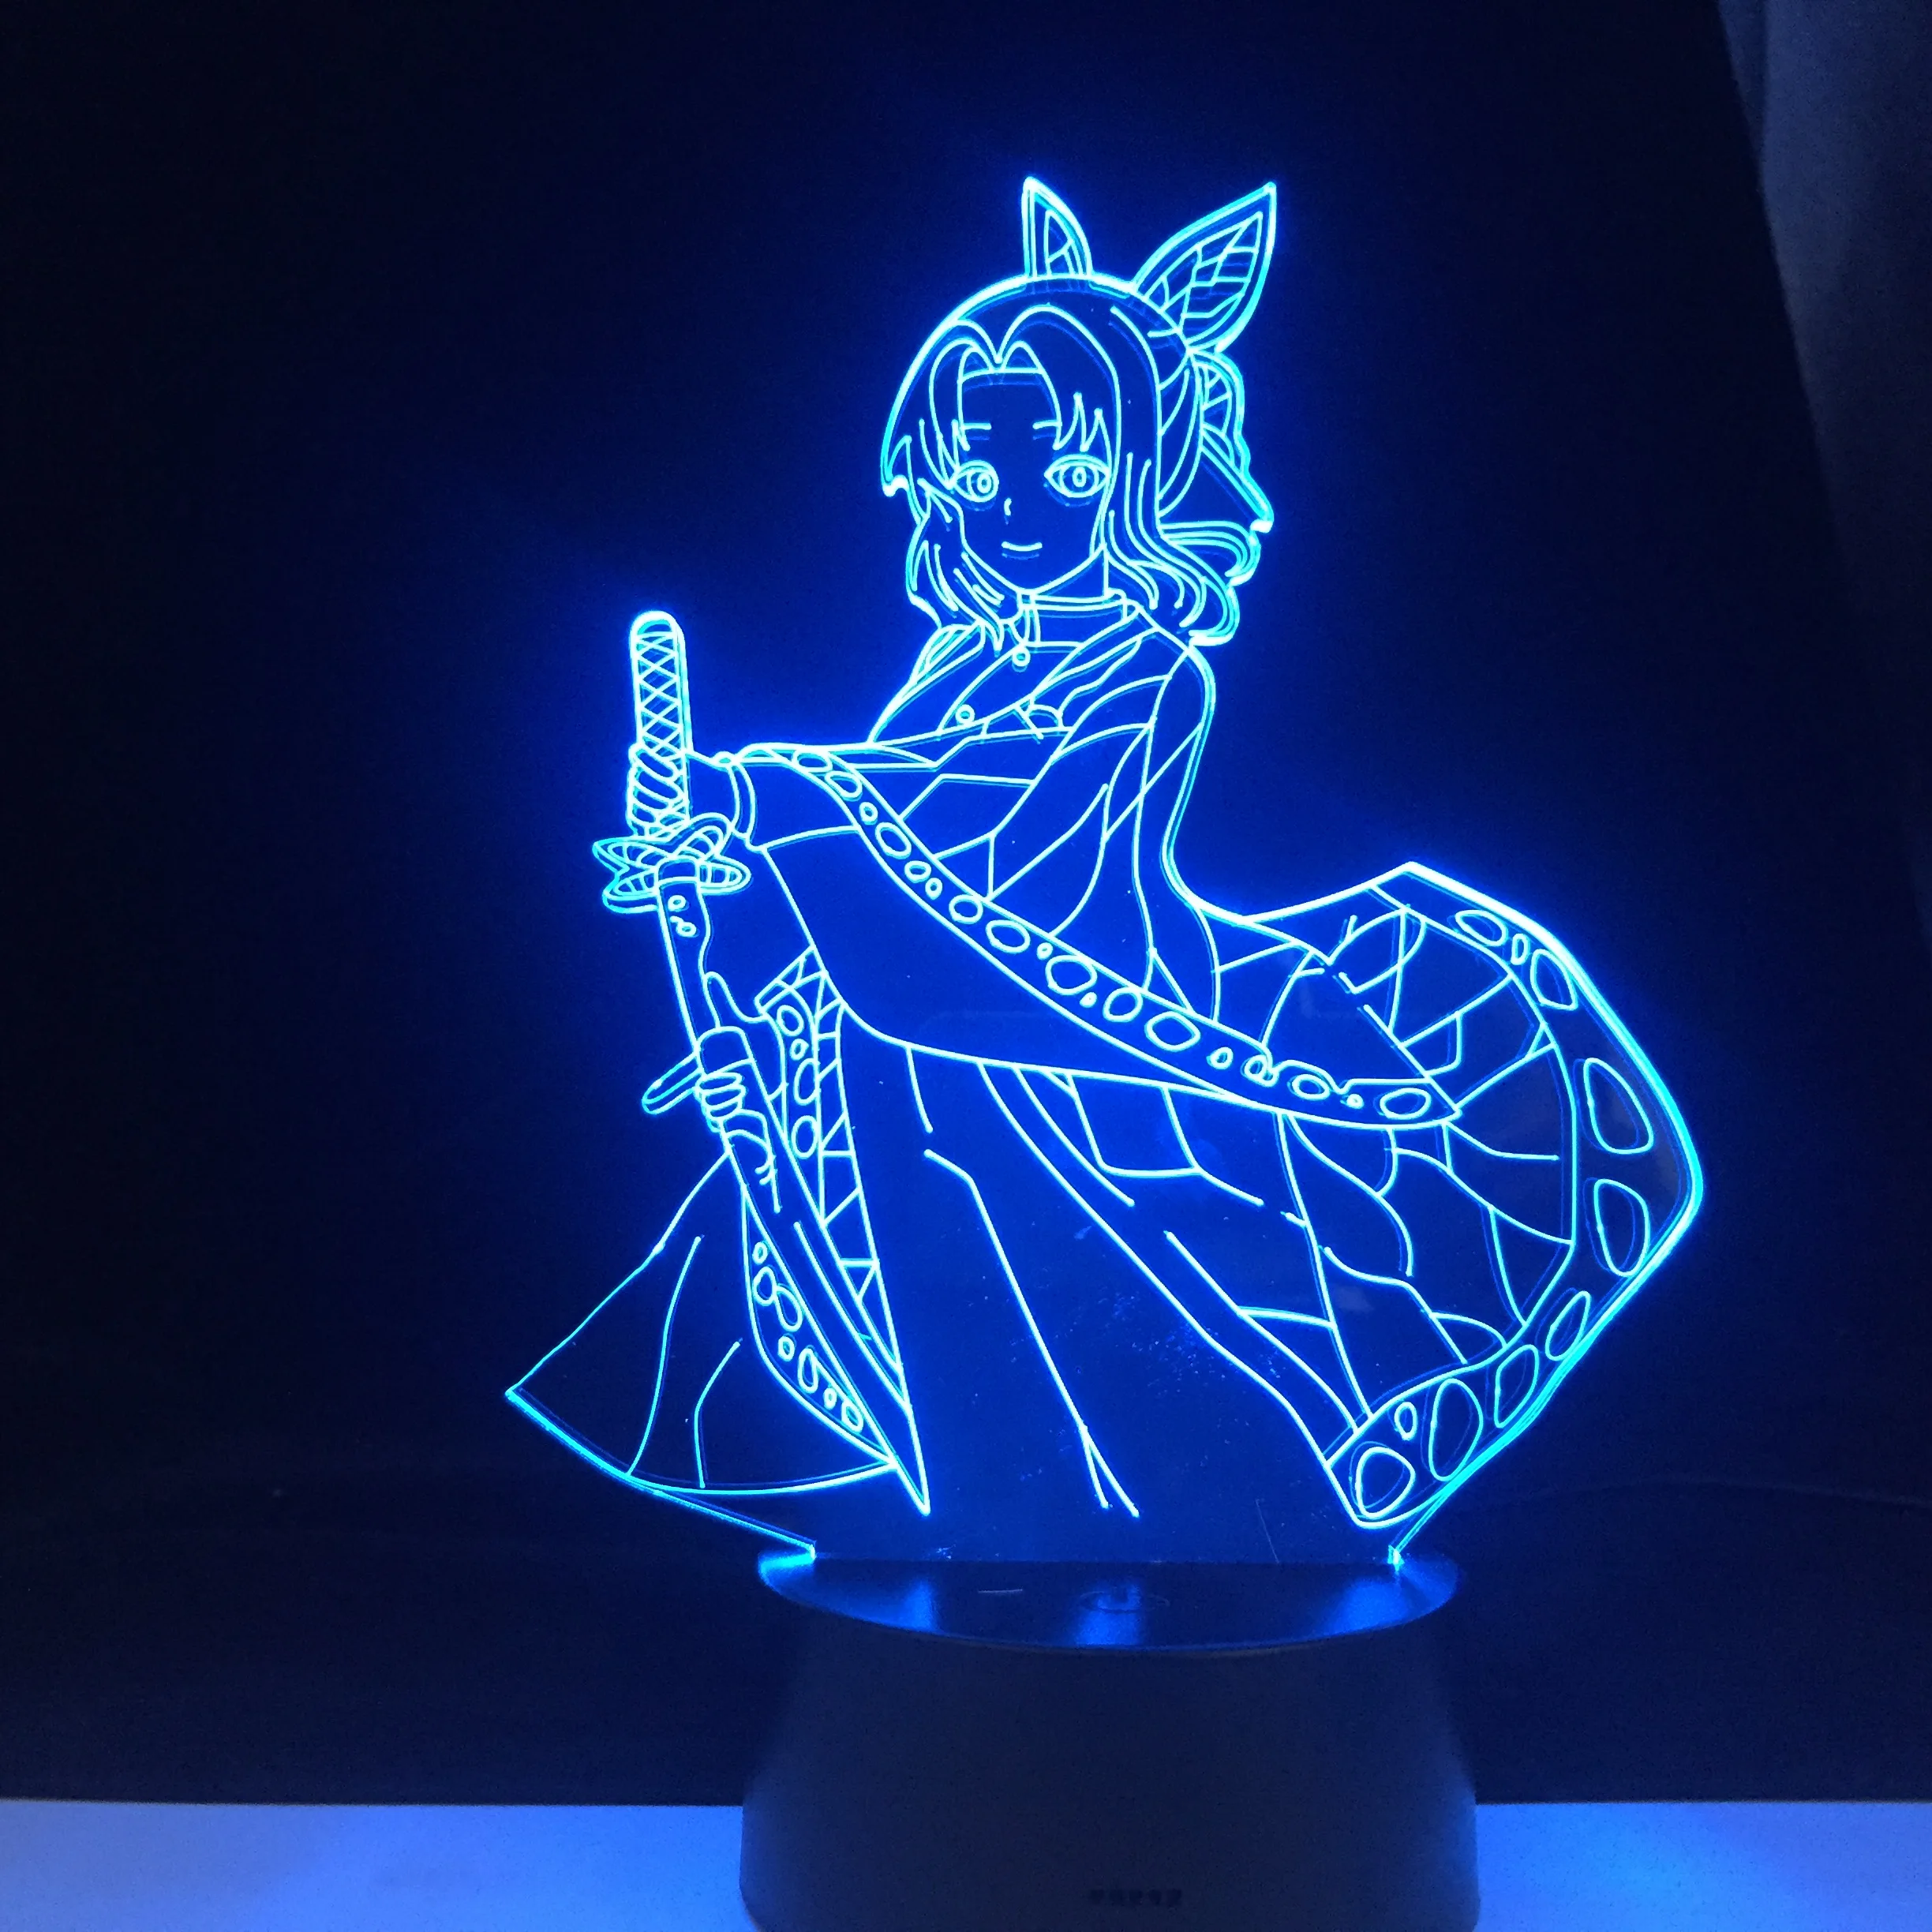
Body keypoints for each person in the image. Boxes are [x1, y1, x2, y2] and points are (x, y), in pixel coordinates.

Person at [509, 181, 1701, 1561]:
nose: (1018, 508)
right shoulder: (956, 660)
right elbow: (877, 847)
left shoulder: (1149, 671)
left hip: (1090, 1038)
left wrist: (765, 793)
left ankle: (1186, 1530)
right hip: (924, 1041)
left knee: (1111, 1330)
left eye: (1068, 476)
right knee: (946, 1305)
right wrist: (724, 880)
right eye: (979, 476)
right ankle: (995, 1532)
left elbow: (979, 830)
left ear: (1146, 477)